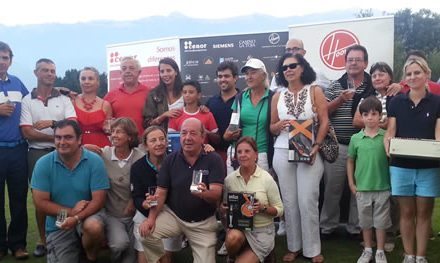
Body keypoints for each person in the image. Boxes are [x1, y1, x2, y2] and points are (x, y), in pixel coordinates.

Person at [140, 118, 225, 263]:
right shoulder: (170, 160)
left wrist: (204, 194)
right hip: (175, 217)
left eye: (193, 133)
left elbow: (216, 194)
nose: (188, 138)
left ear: (202, 136)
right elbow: (161, 193)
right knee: (146, 233)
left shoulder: (213, 159)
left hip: (202, 223)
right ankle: (161, 260)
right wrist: (151, 219)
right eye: (184, 133)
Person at [269, 53, 328, 262]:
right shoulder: (277, 95)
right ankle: (294, 247)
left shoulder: (315, 91)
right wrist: (280, 125)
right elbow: (272, 127)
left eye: (293, 66)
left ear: (302, 68)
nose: (288, 70)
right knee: (290, 202)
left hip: (308, 150)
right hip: (283, 150)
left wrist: (317, 145)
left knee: (307, 200)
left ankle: (313, 250)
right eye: (284, 68)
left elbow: (325, 121)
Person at [384, 57, 440, 263]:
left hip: (429, 167)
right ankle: (409, 255)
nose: (413, 77)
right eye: (409, 74)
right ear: (405, 78)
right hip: (401, 166)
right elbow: (390, 132)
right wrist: (388, 144)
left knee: (424, 213)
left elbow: (439, 134)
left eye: (417, 72)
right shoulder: (397, 102)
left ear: (427, 74)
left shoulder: (437, 102)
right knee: (406, 213)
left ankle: (421, 256)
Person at [30, 119, 110, 263]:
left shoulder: (94, 161)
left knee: (94, 227)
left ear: (80, 139)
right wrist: (71, 212)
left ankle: (90, 257)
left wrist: (77, 217)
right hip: (60, 219)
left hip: (88, 214)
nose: (62, 142)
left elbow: (99, 200)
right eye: (58, 137)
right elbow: (40, 203)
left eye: (68, 137)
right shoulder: (43, 163)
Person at [20, 58, 77, 257]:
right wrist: (58, 137)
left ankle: (62, 236)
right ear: (36, 73)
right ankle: (43, 240)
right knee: (41, 199)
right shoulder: (27, 99)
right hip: (36, 153)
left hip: (62, 153)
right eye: (45, 70)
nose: (50, 74)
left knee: (61, 195)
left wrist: (53, 123)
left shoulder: (64, 99)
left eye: (53, 71)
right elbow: (27, 132)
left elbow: (72, 124)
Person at [320, 45, 376, 237]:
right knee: (331, 189)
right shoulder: (336, 85)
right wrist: (340, 100)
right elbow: (322, 111)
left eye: (358, 59)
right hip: (339, 146)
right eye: (350, 59)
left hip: (365, 146)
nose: (353, 63)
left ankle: (356, 228)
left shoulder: (372, 85)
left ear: (365, 63)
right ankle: (327, 226)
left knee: (359, 190)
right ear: (345, 63)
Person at [85, 117, 144, 262]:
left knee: (130, 260)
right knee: (119, 245)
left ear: (130, 137)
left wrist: (132, 199)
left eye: (119, 132)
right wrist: (84, 147)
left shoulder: (140, 157)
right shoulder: (103, 154)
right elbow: (76, 153)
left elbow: (144, 184)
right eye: (113, 132)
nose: (114, 135)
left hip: (134, 215)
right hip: (112, 214)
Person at [222, 136, 283, 263]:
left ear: (256, 154)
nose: (243, 155)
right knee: (232, 238)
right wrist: (223, 209)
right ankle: (232, 256)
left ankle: (266, 253)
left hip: (261, 231)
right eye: (239, 152)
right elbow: (224, 209)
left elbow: (280, 210)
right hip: (239, 229)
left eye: (247, 151)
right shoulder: (229, 180)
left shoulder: (266, 179)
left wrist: (263, 208)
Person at [347, 96, 391, 263]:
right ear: (362, 116)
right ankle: (367, 249)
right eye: (366, 114)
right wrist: (352, 183)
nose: (370, 117)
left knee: (381, 222)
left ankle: (380, 251)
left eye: (374, 114)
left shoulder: (386, 137)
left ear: (380, 116)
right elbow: (350, 161)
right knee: (365, 222)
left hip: (382, 186)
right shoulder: (355, 139)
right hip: (362, 188)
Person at [131, 126, 183, 263]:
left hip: (169, 213)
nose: (159, 143)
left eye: (161, 139)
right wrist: (145, 203)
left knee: (164, 258)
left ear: (167, 142)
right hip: (145, 213)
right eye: (153, 140)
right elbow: (136, 196)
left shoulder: (176, 162)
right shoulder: (137, 167)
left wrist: (207, 147)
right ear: (145, 146)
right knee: (144, 260)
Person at [0, 41, 29, 260]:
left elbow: (33, 102)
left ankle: (18, 244)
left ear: (10, 60)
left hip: (18, 151)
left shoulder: (18, 83)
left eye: (5, 57)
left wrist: (60, 90)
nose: (1, 62)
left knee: (19, 199)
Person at [223, 58, 274, 173]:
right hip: (240, 154)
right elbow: (232, 127)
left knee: (260, 190)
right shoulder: (240, 98)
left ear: (263, 75)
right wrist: (228, 134)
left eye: (253, 72)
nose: (249, 77)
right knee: (237, 190)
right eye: (246, 74)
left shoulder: (272, 97)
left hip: (262, 155)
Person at [105, 57, 150, 136]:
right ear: (120, 73)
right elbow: (104, 120)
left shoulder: (150, 93)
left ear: (139, 72)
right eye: (124, 69)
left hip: (143, 142)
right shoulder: (111, 95)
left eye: (131, 68)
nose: (128, 71)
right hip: (119, 142)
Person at [206, 61, 239, 164]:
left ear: (235, 78)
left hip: (237, 154)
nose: (222, 79)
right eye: (220, 76)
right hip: (213, 155)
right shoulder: (211, 102)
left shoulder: (243, 99)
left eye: (226, 76)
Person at [168, 80, 219, 144]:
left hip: (203, 153)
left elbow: (217, 140)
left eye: (191, 92)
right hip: (182, 152)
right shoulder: (176, 114)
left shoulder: (207, 115)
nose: (187, 95)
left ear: (199, 95)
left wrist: (205, 131)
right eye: (184, 92)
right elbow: (171, 140)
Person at [74, 67, 112, 147]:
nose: (86, 82)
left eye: (90, 79)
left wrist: (108, 128)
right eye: (83, 79)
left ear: (97, 82)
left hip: (101, 146)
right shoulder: (72, 101)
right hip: (77, 146)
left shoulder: (105, 105)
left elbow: (110, 130)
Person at [142, 57, 183, 131]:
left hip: (185, 137)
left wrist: (202, 109)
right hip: (161, 139)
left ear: (176, 72)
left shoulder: (185, 91)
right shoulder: (154, 94)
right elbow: (146, 124)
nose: (165, 74)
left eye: (168, 70)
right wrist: (163, 116)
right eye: (162, 71)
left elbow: (195, 112)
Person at [353, 62, 394, 129]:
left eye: (381, 75)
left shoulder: (398, 96)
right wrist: (382, 126)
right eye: (374, 76)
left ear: (390, 77)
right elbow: (356, 121)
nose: (377, 78)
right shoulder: (366, 97)